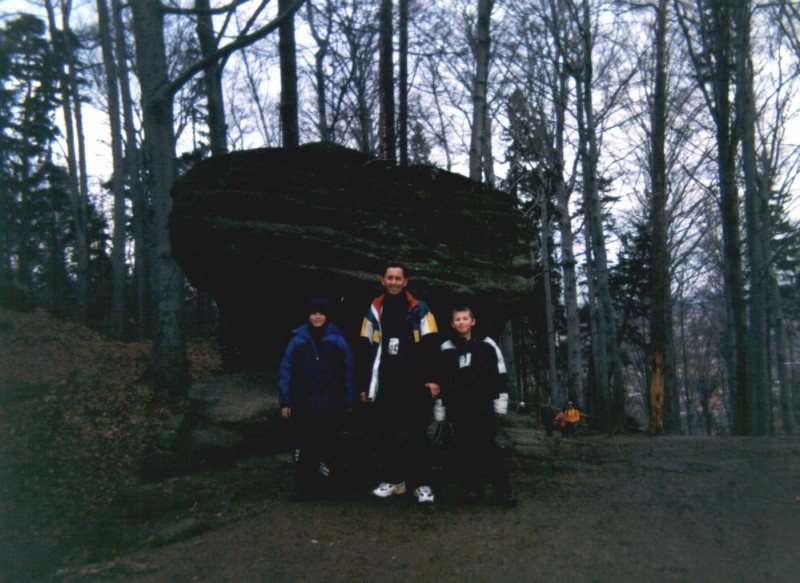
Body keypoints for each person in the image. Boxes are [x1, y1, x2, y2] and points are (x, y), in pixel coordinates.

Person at [358, 262, 441, 504]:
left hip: (415, 383)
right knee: (387, 434)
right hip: (386, 382)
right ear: (382, 281)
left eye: (398, 278)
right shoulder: (374, 310)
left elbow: (432, 345)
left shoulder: (421, 309)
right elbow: (364, 347)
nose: (393, 282)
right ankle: (395, 481)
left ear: (405, 282)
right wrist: (364, 385)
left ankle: (421, 484)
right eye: (390, 278)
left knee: (417, 433)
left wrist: (433, 379)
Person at [278, 298, 356, 501]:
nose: (317, 317)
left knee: (331, 445)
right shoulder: (297, 341)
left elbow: (348, 371)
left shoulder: (337, 340)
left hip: (331, 402)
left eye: (321, 313)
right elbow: (286, 371)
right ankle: (304, 488)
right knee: (306, 445)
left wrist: (348, 399)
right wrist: (285, 402)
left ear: (327, 316)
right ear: (308, 315)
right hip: (304, 402)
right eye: (314, 313)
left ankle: (331, 488)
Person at [439, 307, 516, 507]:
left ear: (472, 321)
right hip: (458, 407)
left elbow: (500, 374)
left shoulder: (487, 344)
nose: (461, 322)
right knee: (465, 449)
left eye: (465, 318)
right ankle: (473, 490)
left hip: (482, 405)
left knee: (489, 448)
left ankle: (504, 492)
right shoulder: (446, 348)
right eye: (457, 319)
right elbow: (441, 380)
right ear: (452, 324)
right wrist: (442, 408)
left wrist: (500, 403)